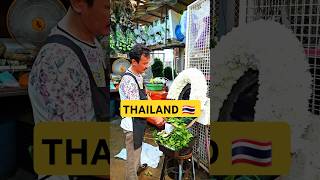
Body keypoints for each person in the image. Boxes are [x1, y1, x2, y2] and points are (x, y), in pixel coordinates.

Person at [28, 0, 109, 179]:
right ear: (79, 3)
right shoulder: (56, 60)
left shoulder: (93, 41)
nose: (113, 16)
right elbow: (74, 152)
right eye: (108, 7)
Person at [119, 44, 165, 180]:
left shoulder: (138, 75)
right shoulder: (128, 81)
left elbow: (146, 97)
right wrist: (155, 119)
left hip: (139, 123)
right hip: (132, 125)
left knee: (138, 148)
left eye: (148, 63)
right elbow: (137, 108)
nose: (147, 66)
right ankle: (131, 176)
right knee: (132, 156)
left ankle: (138, 166)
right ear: (134, 62)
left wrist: (157, 112)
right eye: (144, 63)